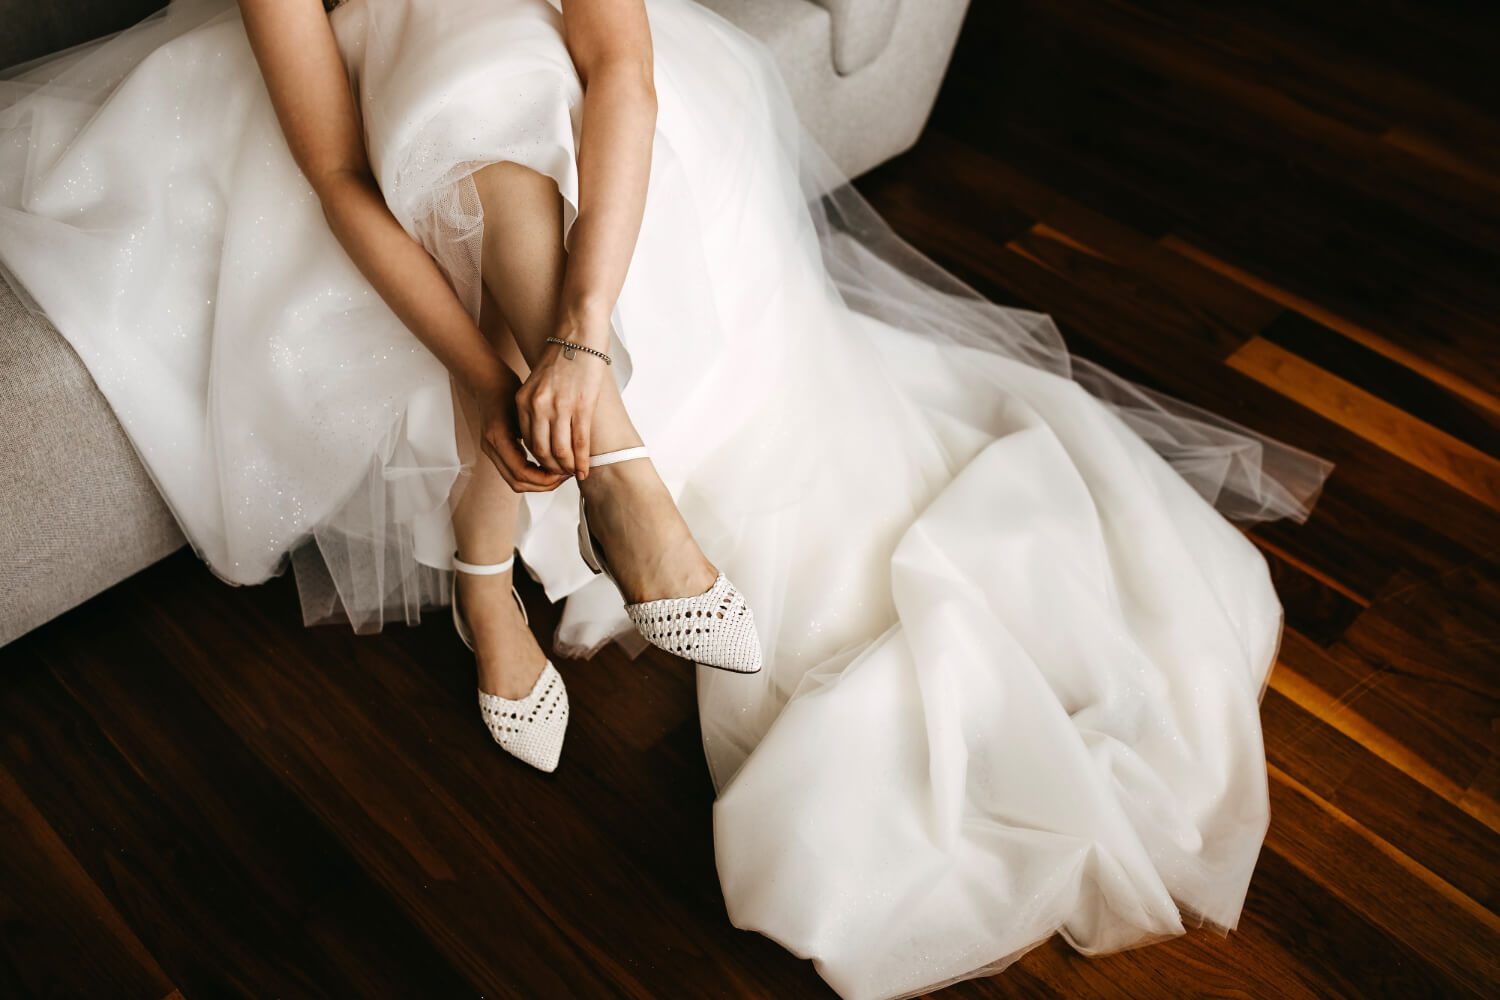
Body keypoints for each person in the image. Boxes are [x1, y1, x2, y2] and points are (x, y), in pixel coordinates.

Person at [0, 0, 1335, 997]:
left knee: (504, 94)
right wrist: (481, 374)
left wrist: (582, 332)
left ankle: (506, 561)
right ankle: (614, 489)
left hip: (558, 132)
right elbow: (341, 177)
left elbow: (619, 67)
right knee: (463, 115)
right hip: (375, 143)